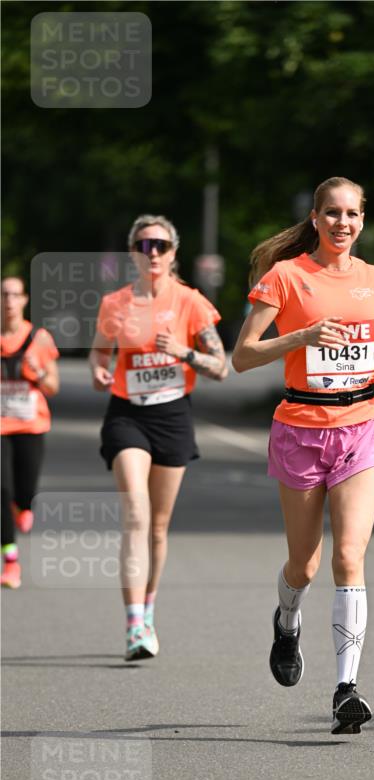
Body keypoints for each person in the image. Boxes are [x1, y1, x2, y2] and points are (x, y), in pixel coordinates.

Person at [232, 176, 374, 733]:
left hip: (362, 424)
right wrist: (300, 338)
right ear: (315, 218)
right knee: (304, 563)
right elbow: (242, 356)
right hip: (301, 426)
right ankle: (288, 621)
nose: (342, 223)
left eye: (352, 214)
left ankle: (346, 689)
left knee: (348, 557)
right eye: (332, 213)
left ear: (362, 220)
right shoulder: (285, 277)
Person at [89, 214, 228, 661]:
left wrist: (183, 351)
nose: (153, 254)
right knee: (135, 511)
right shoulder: (115, 304)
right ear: (133, 252)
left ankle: (148, 612)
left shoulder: (190, 302)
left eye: (161, 246)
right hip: (126, 415)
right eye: (145, 245)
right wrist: (98, 369)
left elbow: (221, 365)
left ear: (173, 253)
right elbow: (98, 351)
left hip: (172, 416)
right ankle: (133, 625)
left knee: (159, 526)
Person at [1, 276, 60, 589]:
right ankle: (10, 561)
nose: (9, 301)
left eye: (15, 295)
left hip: (31, 423)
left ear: (24, 301)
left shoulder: (39, 338)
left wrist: (35, 372)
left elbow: (53, 386)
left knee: (24, 492)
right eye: (4, 295)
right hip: (1, 427)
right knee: (1, 489)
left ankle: (23, 507)